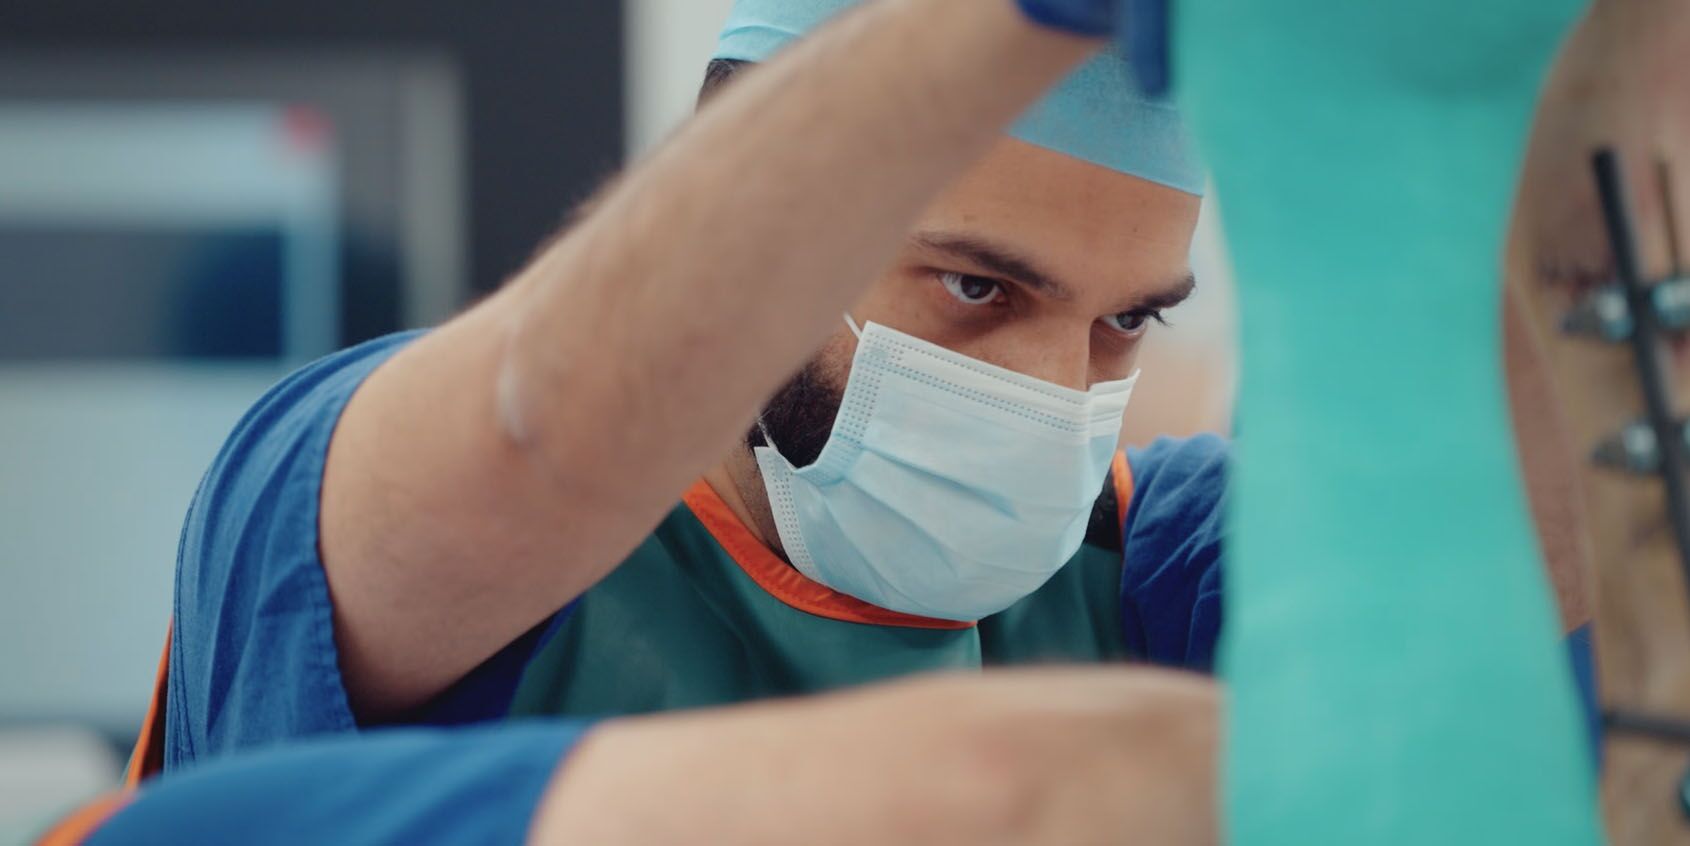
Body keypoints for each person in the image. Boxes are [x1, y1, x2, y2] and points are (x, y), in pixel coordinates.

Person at [39, 0, 1597, 840]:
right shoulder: (332, 492)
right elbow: (539, 423)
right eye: (978, 289)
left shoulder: (1136, 561)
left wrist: (1594, 73)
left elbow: (1544, 528)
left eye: (1127, 319)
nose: (1056, 392)